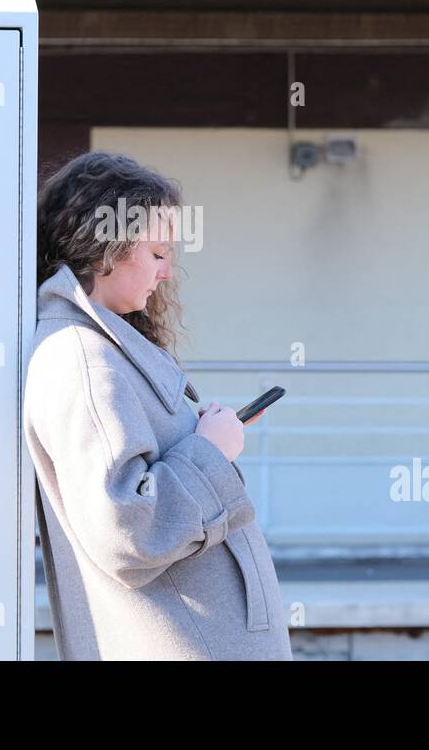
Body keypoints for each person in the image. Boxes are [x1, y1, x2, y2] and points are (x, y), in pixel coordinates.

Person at [23, 150, 293, 660]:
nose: (167, 273)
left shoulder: (100, 350)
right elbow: (128, 529)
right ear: (106, 249)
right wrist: (211, 451)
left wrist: (204, 443)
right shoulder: (85, 360)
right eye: (157, 253)